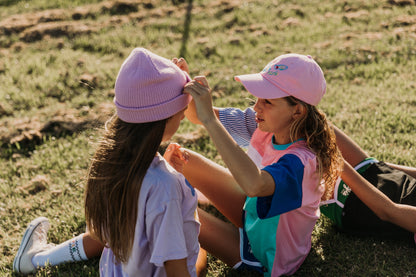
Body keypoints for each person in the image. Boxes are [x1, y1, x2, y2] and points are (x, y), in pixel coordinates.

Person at [13, 47, 207, 277]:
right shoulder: (166, 185)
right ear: (163, 119)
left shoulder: (111, 161)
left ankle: (39, 257)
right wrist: (177, 187)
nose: (184, 115)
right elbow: (176, 269)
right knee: (201, 250)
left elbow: (103, 234)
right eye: (182, 111)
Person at [173, 53, 344, 276]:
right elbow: (197, 115)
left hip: (266, 256)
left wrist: (210, 120)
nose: (256, 107)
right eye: (258, 98)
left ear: (298, 111)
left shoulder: (302, 162)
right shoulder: (265, 125)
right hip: (253, 214)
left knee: (177, 209)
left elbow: (255, 185)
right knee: (180, 157)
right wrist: (183, 79)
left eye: (267, 101)